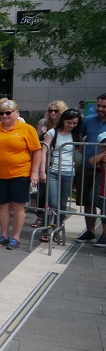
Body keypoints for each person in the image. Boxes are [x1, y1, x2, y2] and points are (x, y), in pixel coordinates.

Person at [0, 100, 42, 250]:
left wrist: (35, 172)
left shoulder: (27, 129)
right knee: (2, 206)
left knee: (17, 206)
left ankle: (15, 237)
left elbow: (37, 151)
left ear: (17, 113)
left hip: (20, 173)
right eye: (1, 113)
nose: (5, 116)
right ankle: (4, 235)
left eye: (8, 113)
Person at [40, 108, 82, 240]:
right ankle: (46, 227)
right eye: (69, 123)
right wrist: (42, 171)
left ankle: (57, 228)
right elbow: (43, 151)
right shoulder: (53, 133)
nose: (71, 126)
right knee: (52, 201)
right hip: (53, 171)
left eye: (75, 123)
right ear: (63, 121)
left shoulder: (76, 135)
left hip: (69, 172)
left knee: (62, 203)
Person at [75, 93, 106, 245]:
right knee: (87, 200)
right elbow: (82, 137)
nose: (100, 109)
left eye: (104, 107)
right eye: (99, 106)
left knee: (103, 202)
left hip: (104, 170)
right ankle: (90, 231)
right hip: (87, 166)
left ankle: (105, 234)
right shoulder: (88, 120)